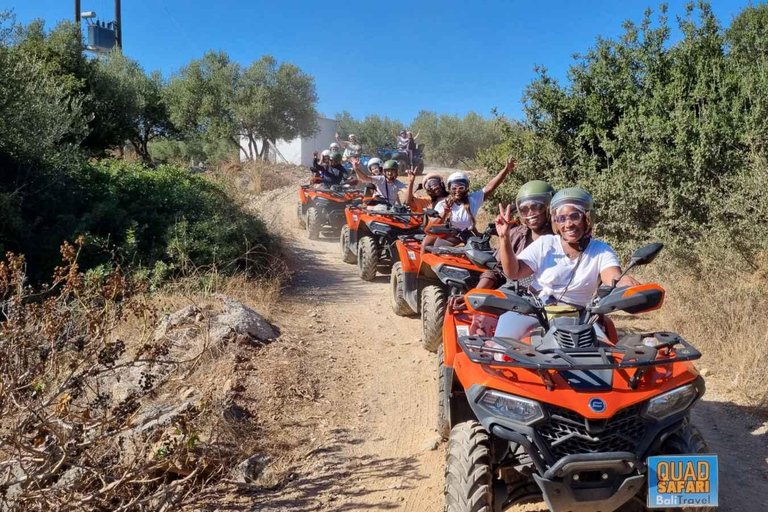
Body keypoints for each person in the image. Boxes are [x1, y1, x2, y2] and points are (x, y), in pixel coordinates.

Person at [492, 187, 641, 338]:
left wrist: (628, 286)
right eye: (561, 219)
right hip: (535, 312)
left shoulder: (600, 250)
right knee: (501, 347)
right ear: (555, 222)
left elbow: (614, 278)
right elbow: (514, 272)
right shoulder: (546, 243)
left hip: (579, 318)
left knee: (602, 353)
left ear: (587, 218)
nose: (568, 224)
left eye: (574, 216)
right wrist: (504, 238)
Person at [476, 180, 555, 289]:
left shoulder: (560, 239)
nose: (530, 213)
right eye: (524, 209)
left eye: (536, 206)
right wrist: (475, 294)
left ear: (549, 206)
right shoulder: (515, 234)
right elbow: (495, 271)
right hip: (513, 297)